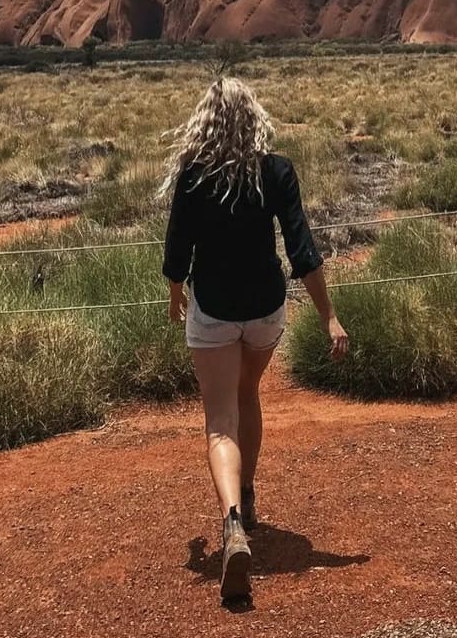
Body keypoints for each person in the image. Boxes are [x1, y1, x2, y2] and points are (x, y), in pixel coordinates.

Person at [160, 76, 349, 604]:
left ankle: (231, 524)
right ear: (254, 117)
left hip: (214, 310)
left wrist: (176, 295)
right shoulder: (277, 171)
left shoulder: (194, 175)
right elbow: (302, 248)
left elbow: (178, 250)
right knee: (249, 396)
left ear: (206, 119)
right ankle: (248, 496)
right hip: (266, 310)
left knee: (221, 421)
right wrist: (329, 316)